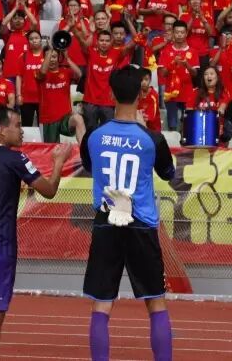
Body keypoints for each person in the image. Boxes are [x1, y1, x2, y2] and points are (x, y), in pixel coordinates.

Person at [0, 106, 72, 361]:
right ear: (1, 130)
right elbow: (49, 190)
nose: (22, 131)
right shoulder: (15, 159)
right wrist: (58, 163)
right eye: (17, 126)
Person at [80, 64, 175, 361]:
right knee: (156, 303)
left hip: (106, 220)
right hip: (140, 223)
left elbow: (89, 165)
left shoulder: (94, 136)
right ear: (141, 94)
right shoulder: (151, 138)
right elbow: (169, 173)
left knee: (101, 304)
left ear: (110, 94)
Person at [37, 47, 86, 143]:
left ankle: (83, 149)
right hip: (48, 120)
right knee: (52, 148)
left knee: (78, 119)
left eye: (54, 57)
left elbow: (79, 74)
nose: (51, 60)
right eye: (49, 57)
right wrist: (50, 50)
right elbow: (42, 72)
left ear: (59, 57)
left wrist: (67, 58)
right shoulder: (39, 73)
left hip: (65, 117)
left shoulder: (66, 71)